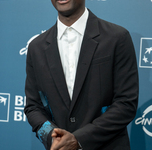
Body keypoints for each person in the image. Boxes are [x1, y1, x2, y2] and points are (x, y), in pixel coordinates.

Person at [24, 0, 139, 150]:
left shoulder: (117, 38)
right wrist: (51, 136)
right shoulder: (36, 47)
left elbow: (126, 104)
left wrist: (79, 140)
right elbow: (33, 107)